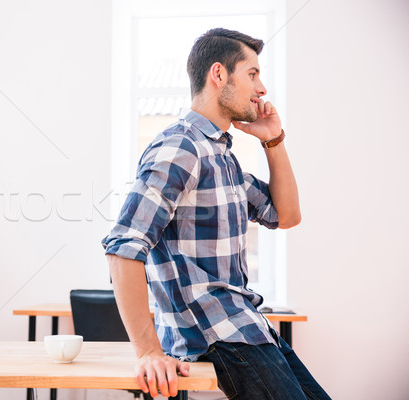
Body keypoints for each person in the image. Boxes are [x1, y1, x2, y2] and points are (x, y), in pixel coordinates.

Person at [102, 28, 331, 400]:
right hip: (217, 333)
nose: (262, 88)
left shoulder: (222, 157)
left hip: (249, 327)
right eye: (253, 74)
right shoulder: (181, 147)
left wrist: (273, 140)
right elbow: (123, 245)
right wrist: (147, 352)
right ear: (219, 74)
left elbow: (286, 215)